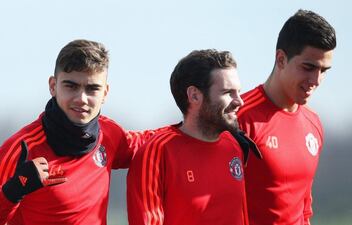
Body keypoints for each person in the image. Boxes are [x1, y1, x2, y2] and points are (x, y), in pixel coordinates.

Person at [0, 39, 157, 225]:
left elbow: (158, 142)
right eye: (71, 86)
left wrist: (186, 122)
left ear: (105, 93)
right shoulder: (22, 148)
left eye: (92, 89)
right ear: (53, 86)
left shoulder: (110, 134)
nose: (81, 98)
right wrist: (15, 189)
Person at [127, 49, 261, 225]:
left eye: (238, 92)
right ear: (194, 95)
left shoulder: (234, 146)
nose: (239, 101)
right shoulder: (157, 152)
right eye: (228, 93)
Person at [237, 9, 336, 225]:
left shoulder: (314, 124)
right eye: (308, 67)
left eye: (324, 70)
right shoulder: (239, 119)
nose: (316, 80)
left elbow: (304, 210)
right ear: (281, 59)